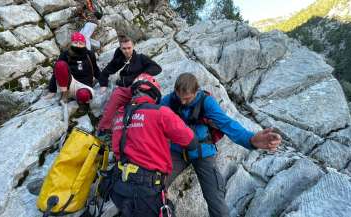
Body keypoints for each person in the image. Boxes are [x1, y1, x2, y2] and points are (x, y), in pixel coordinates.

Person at [161, 73, 282, 217]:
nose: (182, 102)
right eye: (179, 97)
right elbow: (151, 117)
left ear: (196, 91)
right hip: (176, 151)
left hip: (202, 152)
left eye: (187, 99)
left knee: (215, 198)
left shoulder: (206, 102)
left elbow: (227, 124)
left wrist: (250, 140)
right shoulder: (169, 100)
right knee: (154, 184)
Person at [109, 73, 198, 217]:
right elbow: (191, 141)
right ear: (155, 95)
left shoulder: (119, 116)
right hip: (147, 190)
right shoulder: (160, 113)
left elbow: (118, 149)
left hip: (119, 186)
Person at [96, 35, 162, 136]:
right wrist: (103, 85)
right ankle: (103, 129)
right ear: (120, 48)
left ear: (133, 46)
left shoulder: (141, 58)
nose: (127, 51)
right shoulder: (118, 60)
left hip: (139, 90)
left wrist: (142, 75)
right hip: (124, 89)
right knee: (111, 105)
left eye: (129, 48)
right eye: (124, 48)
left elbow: (157, 68)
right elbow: (105, 72)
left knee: (142, 111)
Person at [46, 32, 103, 109]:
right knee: (60, 64)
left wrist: (104, 82)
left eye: (81, 43)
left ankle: (80, 101)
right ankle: (65, 94)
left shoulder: (89, 54)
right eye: (75, 43)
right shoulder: (65, 54)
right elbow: (56, 72)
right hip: (69, 83)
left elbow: (95, 69)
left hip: (84, 85)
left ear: (85, 44)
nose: (78, 45)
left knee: (84, 95)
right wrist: (52, 90)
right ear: (71, 43)